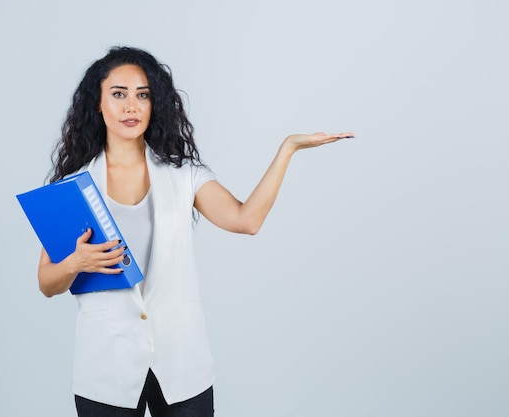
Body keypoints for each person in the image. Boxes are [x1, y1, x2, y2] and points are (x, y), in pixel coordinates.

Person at [38, 46, 353, 417]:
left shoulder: (183, 175)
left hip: (181, 361)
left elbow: (246, 219)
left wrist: (288, 149)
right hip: (106, 365)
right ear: (97, 104)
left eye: (143, 95)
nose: (131, 106)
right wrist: (75, 262)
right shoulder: (71, 188)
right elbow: (47, 283)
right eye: (118, 94)